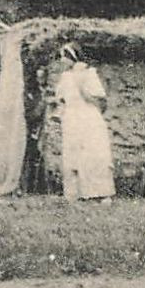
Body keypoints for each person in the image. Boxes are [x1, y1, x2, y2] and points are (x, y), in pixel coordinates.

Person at [54, 43, 115, 203]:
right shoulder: (65, 77)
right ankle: (76, 194)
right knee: (73, 155)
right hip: (71, 120)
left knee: (94, 154)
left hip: (88, 118)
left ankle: (101, 193)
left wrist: (87, 96)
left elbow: (101, 100)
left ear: (73, 57)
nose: (61, 60)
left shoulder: (89, 73)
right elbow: (60, 98)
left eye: (64, 57)